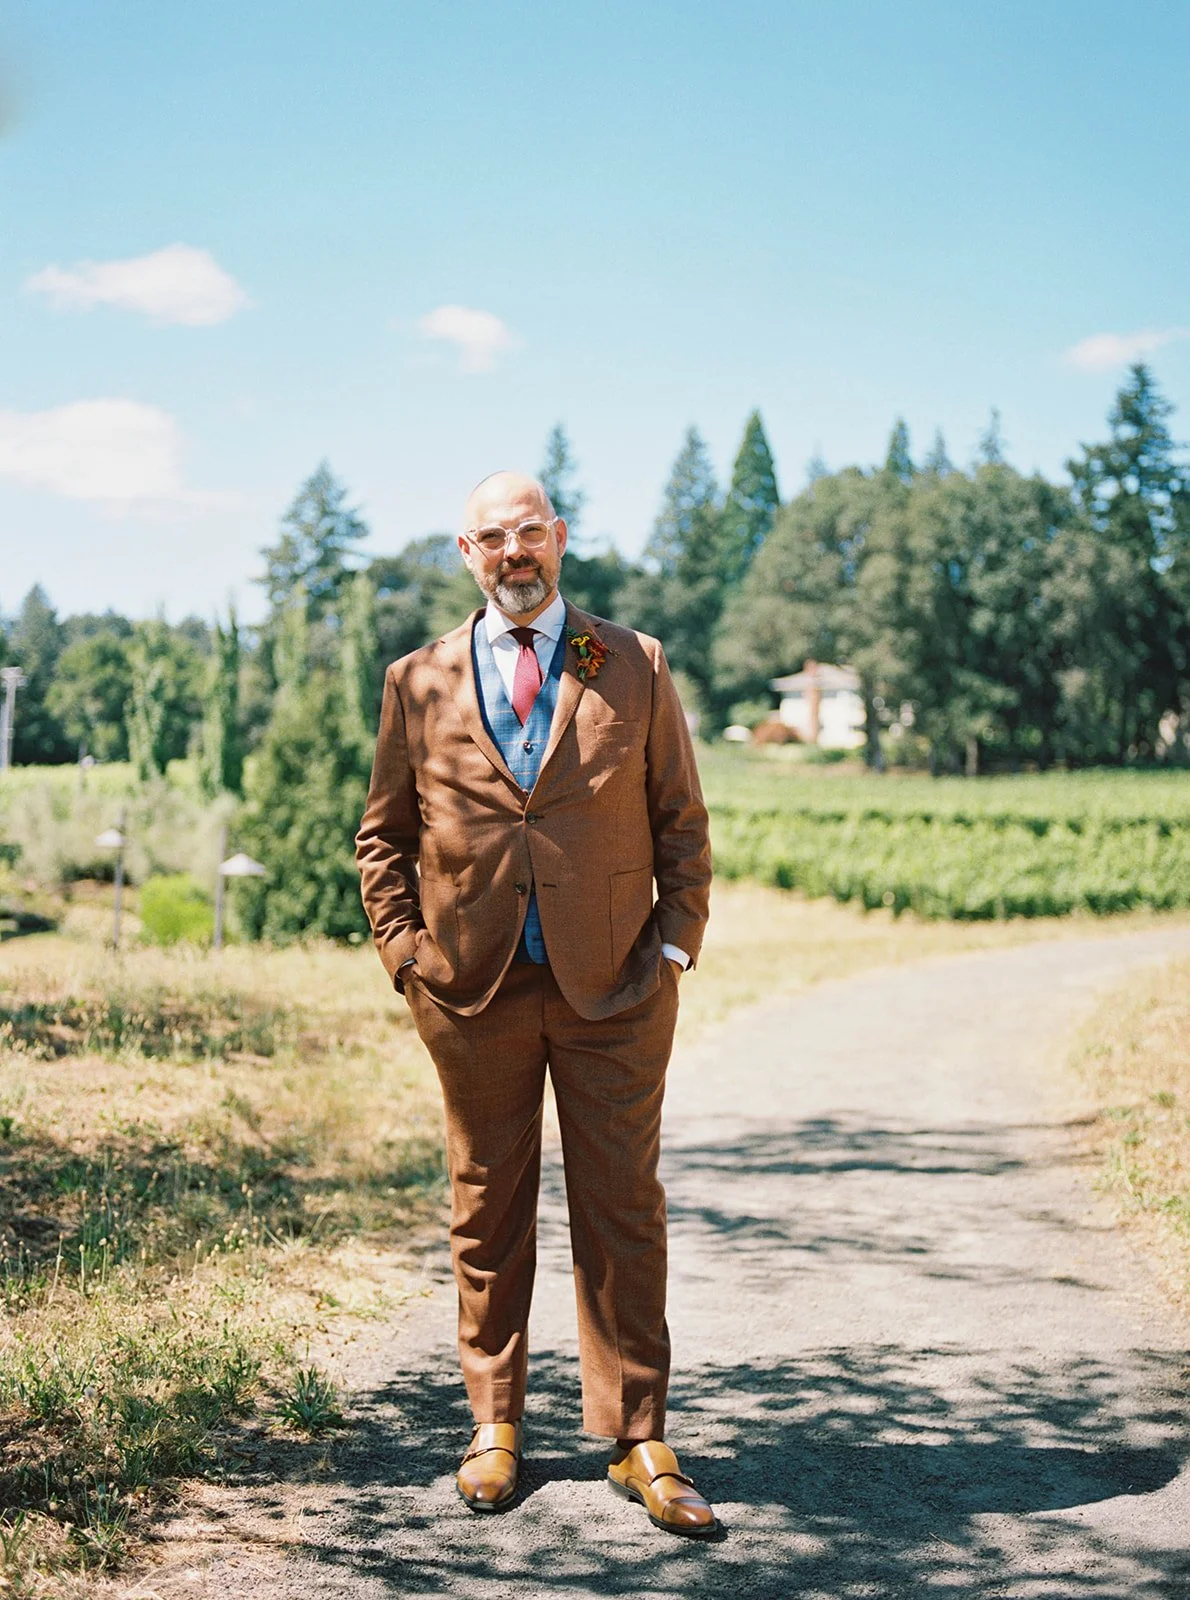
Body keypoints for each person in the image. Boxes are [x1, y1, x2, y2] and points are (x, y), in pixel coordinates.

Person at [355, 471, 716, 1537]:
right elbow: (382, 837)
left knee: (621, 1209)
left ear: (558, 539)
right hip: (468, 993)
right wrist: (405, 958)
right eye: (491, 539)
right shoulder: (414, 678)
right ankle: (493, 1423)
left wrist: (676, 950)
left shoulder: (633, 663)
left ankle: (636, 1433)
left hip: (614, 990)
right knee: (485, 1212)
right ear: (464, 552)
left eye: (529, 533)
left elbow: (680, 825)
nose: (513, 553)